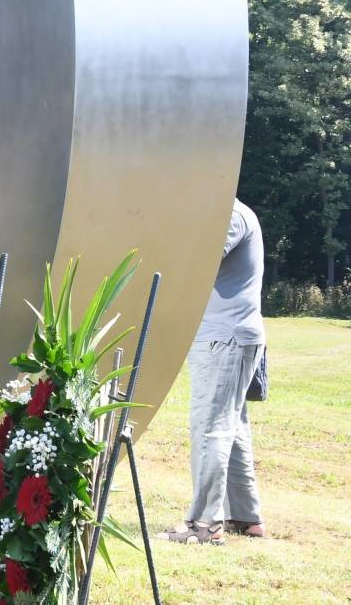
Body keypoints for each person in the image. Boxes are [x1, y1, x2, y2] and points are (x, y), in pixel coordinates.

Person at [162, 198, 267, 546]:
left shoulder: (231, 216)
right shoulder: (232, 213)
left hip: (225, 336)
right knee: (232, 429)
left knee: (211, 429)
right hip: (230, 334)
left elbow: (195, 265)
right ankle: (246, 517)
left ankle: (205, 524)